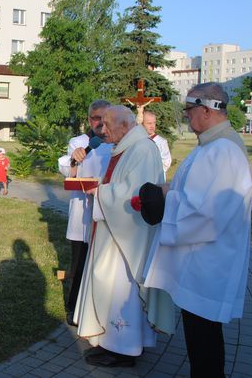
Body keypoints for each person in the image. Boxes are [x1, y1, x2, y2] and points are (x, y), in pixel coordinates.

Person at [143, 83, 252, 377]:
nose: (187, 118)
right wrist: (169, 189)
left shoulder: (224, 151)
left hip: (208, 263)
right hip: (200, 260)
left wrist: (166, 197)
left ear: (207, 110)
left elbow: (209, 214)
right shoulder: (211, 146)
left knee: (205, 346)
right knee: (199, 343)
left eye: (189, 111)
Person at [74, 105, 175, 367]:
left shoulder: (141, 149)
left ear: (124, 125)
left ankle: (124, 349)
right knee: (113, 286)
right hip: (114, 230)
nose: (102, 130)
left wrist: (101, 193)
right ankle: (111, 344)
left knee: (122, 288)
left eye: (107, 125)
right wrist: (104, 189)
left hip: (128, 237)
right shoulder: (128, 146)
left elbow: (134, 193)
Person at [57, 99, 111, 325]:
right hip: (83, 211)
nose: (99, 123)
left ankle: (100, 311)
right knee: (79, 263)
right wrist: (74, 159)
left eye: (104, 118)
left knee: (104, 264)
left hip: (107, 210)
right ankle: (74, 309)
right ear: (89, 120)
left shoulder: (117, 142)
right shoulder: (79, 142)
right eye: (95, 118)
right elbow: (67, 169)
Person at [142, 110, 172, 177]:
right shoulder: (137, 140)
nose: (152, 126)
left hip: (156, 178)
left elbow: (166, 162)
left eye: (154, 123)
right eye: (149, 123)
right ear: (142, 124)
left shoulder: (161, 142)